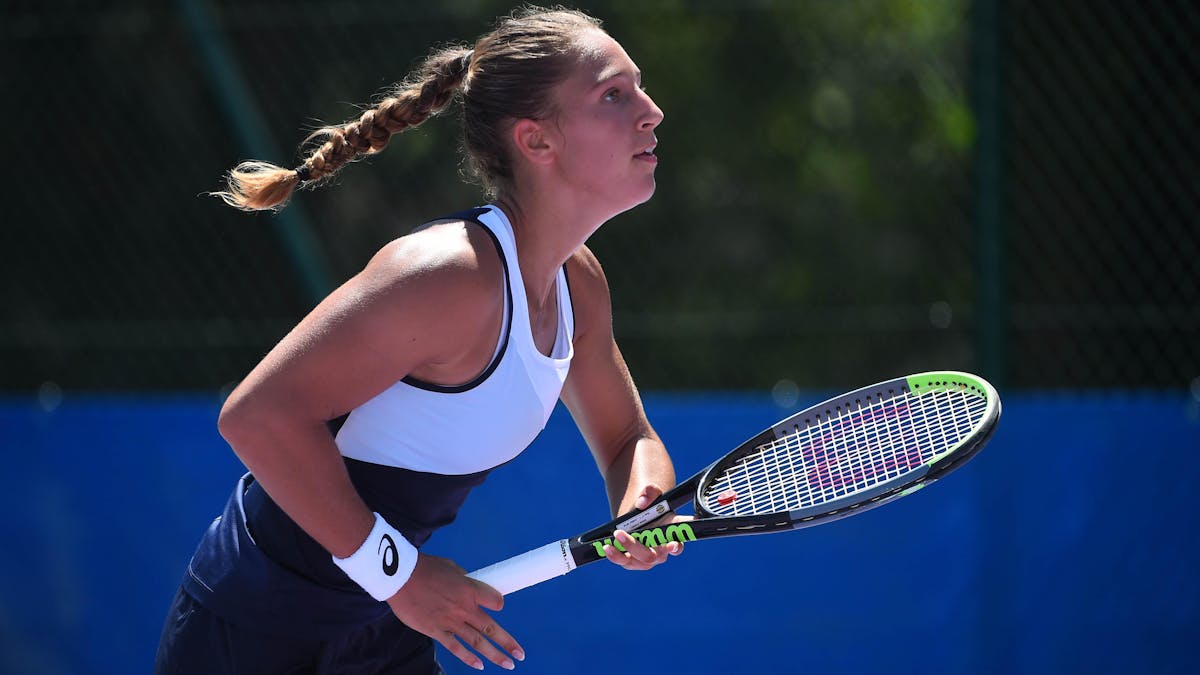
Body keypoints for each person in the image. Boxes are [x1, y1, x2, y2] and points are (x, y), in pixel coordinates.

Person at [155, 6, 683, 674]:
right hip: (256, 625)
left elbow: (625, 438)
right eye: (614, 94)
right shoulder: (447, 276)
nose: (652, 110)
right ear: (537, 141)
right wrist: (401, 576)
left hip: (380, 626)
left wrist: (642, 499)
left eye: (637, 87)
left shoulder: (578, 284)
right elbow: (256, 416)